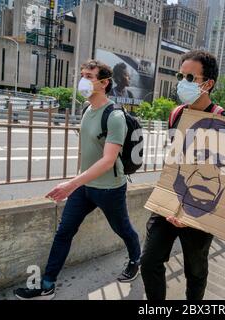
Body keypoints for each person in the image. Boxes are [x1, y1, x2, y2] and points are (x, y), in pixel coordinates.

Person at [14, 60, 141, 300]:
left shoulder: (114, 116)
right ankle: (47, 285)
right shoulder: (86, 109)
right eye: (82, 75)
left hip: (109, 188)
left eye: (89, 76)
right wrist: (78, 181)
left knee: (121, 228)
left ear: (104, 83)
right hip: (85, 186)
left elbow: (108, 160)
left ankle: (136, 258)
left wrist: (71, 184)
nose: (83, 80)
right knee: (64, 232)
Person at [140, 50, 225, 301]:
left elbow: (218, 174)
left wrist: (188, 213)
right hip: (168, 201)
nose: (182, 82)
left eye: (190, 77)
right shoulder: (176, 113)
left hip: (199, 205)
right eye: (181, 75)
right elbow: (173, 158)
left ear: (207, 84)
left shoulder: (220, 119)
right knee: (149, 262)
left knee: (195, 270)